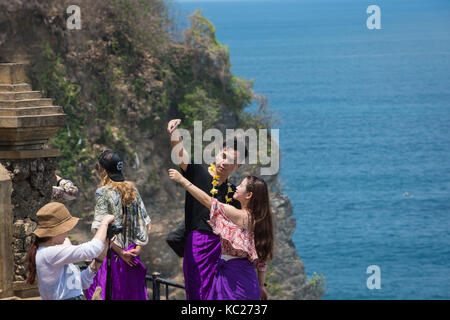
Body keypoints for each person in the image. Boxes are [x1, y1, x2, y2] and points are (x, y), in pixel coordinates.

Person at [166, 118, 247, 300]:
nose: (224, 163)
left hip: (219, 250)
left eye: (231, 161)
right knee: (197, 289)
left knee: (218, 292)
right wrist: (174, 133)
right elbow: (180, 155)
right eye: (223, 156)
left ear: (238, 166)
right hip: (197, 244)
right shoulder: (199, 174)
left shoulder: (234, 194)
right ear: (217, 154)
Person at [168, 170, 274, 300]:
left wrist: (182, 180)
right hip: (244, 279)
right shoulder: (257, 219)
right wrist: (261, 286)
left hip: (234, 280)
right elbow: (261, 261)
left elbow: (208, 201)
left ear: (248, 195)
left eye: (241, 186)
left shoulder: (240, 216)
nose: (237, 187)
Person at [85, 150, 152, 300]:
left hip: (113, 257)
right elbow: (145, 225)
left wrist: (121, 253)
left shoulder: (102, 192)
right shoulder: (133, 190)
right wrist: (136, 249)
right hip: (133, 258)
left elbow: (98, 229)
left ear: (102, 169)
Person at [25, 202, 115, 300]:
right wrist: (104, 223)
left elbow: (81, 283)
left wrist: (100, 256)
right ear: (55, 231)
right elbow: (92, 249)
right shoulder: (48, 253)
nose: (68, 232)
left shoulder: (51, 254)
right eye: (66, 228)